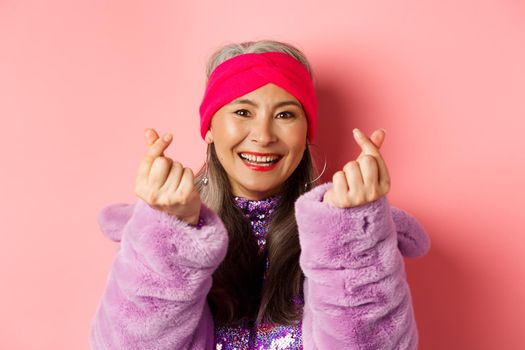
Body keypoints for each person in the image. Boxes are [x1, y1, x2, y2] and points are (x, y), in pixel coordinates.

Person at [89, 40, 430, 350]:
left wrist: (352, 237)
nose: (263, 135)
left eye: (284, 114)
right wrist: (168, 233)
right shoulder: (164, 225)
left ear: (306, 132)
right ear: (209, 128)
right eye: (242, 112)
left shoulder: (346, 228)